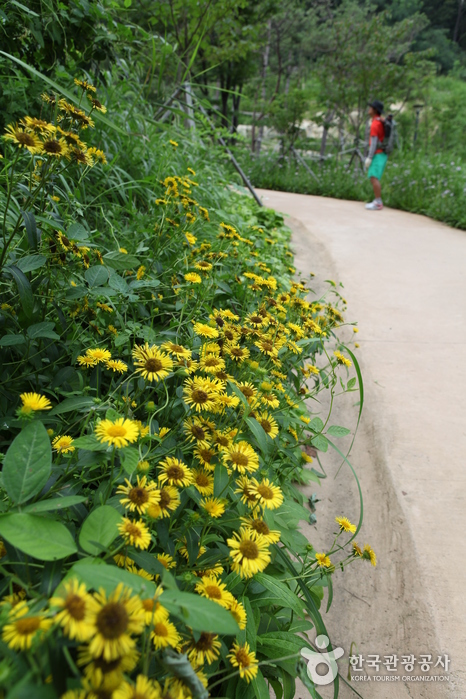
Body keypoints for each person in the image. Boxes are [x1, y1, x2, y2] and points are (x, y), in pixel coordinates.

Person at [365, 100, 388, 211]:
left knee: (374, 178)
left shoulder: (375, 124)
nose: (369, 109)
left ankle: (378, 202)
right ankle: (377, 200)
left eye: (371, 107)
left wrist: (369, 157)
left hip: (377, 154)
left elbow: (374, 142)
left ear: (375, 110)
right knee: (373, 177)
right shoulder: (380, 121)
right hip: (382, 153)